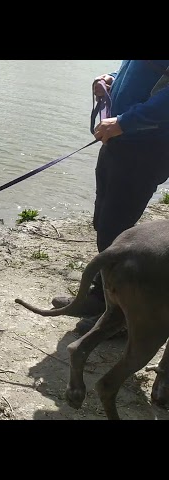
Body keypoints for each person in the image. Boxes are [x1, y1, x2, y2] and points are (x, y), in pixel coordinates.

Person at [52, 60, 169, 335]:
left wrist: (125, 121)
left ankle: (121, 318)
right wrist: (112, 79)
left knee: (115, 232)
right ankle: (101, 298)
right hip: (120, 142)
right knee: (104, 224)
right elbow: (145, 75)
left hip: (145, 149)